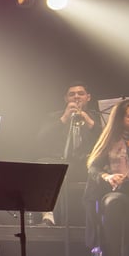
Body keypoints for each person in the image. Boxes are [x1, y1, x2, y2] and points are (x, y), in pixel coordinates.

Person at [86, 99, 129, 256]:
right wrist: (107, 176)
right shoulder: (110, 140)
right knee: (113, 202)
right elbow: (93, 167)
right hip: (121, 192)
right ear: (120, 120)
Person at [36, 82, 103, 227]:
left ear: (88, 97)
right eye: (72, 94)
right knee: (42, 164)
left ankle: (97, 221)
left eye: (81, 93)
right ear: (66, 99)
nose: (76, 97)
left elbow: (106, 139)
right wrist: (65, 118)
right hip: (61, 161)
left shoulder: (96, 118)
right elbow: (41, 140)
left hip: (86, 163)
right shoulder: (53, 117)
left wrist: (88, 121)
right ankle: (48, 217)